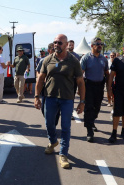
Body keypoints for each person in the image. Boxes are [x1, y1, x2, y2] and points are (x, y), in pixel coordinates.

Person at [34, 34, 85, 169]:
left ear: (66, 44)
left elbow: (80, 82)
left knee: (66, 127)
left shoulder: (74, 61)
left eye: (60, 43)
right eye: (55, 42)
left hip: (67, 99)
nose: (57, 44)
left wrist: (82, 101)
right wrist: (36, 96)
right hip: (50, 97)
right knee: (49, 123)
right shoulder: (47, 60)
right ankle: (52, 141)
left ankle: (63, 154)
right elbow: (40, 80)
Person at [80, 37, 109, 142]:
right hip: (89, 86)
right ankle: (89, 131)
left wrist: (109, 88)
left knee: (97, 107)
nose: (100, 46)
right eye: (97, 44)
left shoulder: (104, 59)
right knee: (89, 107)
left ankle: (91, 121)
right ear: (92, 46)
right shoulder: (86, 58)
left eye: (101, 44)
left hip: (99, 86)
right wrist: (80, 89)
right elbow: (80, 74)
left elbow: (107, 73)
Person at [36, 43, 60, 125]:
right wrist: (42, 78)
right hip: (45, 88)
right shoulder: (44, 60)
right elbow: (38, 72)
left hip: (57, 88)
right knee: (44, 109)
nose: (55, 51)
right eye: (53, 49)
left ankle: (54, 124)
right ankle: (49, 120)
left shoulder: (60, 61)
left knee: (57, 108)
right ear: (49, 51)